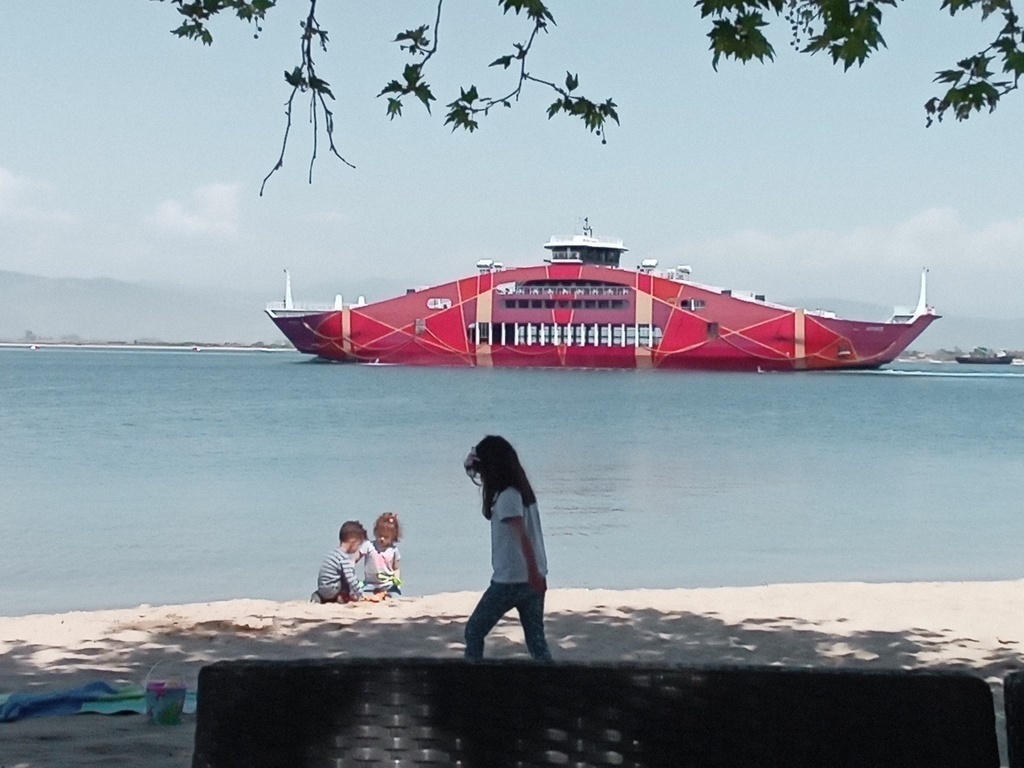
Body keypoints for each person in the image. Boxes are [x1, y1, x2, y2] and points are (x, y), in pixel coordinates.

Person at [463, 435, 551, 661]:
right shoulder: (522, 493)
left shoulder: (508, 496)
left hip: (511, 580)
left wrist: (533, 572)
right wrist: (537, 573)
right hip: (532, 578)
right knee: (536, 641)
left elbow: (523, 537)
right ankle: (551, 677)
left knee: (474, 630)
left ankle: (471, 675)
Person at [313, 520, 367, 604]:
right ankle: (342, 598)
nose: (358, 548)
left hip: (322, 589)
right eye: (358, 544)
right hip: (333, 590)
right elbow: (351, 579)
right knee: (346, 577)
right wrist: (361, 594)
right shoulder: (344, 558)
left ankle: (320, 597)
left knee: (336, 575)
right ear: (352, 541)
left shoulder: (333, 553)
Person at [360, 512, 402, 596]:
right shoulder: (369, 546)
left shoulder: (393, 550)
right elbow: (356, 558)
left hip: (388, 584)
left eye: (386, 537)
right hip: (370, 583)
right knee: (361, 594)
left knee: (395, 596)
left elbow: (396, 568)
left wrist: (396, 580)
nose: (382, 539)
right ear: (375, 532)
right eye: (380, 535)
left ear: (393, 537)